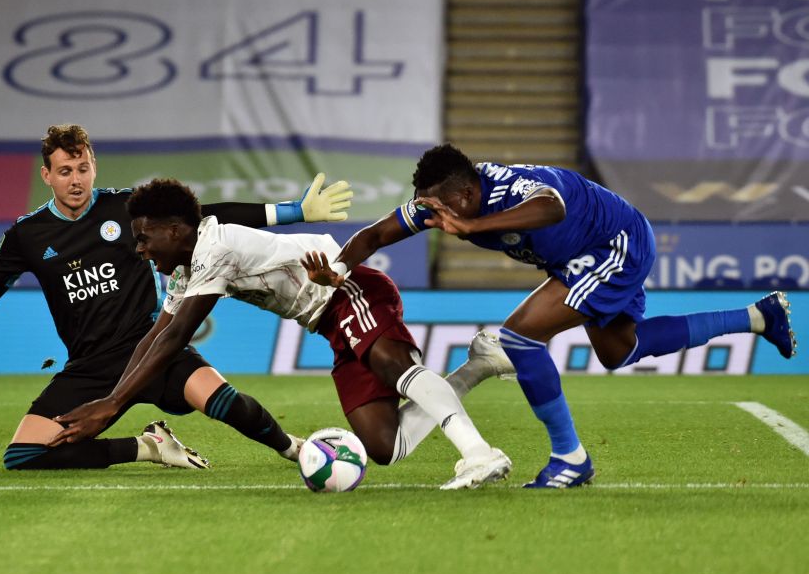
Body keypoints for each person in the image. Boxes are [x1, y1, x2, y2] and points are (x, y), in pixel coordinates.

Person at [0, 123, 354, 471]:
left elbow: (207, 213)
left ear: (94, 166)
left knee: (223, 402)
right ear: (46, 175)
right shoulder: (27, 236)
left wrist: (295, 210)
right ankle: (147, 447)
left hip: (154, 348)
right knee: (24, 456)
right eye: (65, 171)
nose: (77, 180)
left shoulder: (125, 207)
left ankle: (298, 451)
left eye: (84, 168)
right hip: (90, 367)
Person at [302, 143, 798, 489]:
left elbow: (551, 207)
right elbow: (376, 234)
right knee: (618, 349)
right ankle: (758, 316)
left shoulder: (512, 189)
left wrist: (473, 225)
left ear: (465, 194)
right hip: (581, 254)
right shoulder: (443, 202)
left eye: (437, 206)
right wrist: (341, 268)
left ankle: (570, 459)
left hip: (613, 244)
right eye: (425, 205)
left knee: (518, 339)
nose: (429, 213)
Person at [49, 178, 516, 490]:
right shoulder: (186, 269)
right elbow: (155, 337)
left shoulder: (217, 247)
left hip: (346, 289)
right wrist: (109, 402)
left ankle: (479, 453)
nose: (140, 248)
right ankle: (479, 363)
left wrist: (111, 406)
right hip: (328, 324)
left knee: (395, 367)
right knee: (383, 446)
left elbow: (175, 341)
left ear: (176, 230)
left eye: (146, 237)